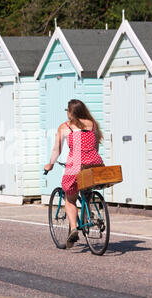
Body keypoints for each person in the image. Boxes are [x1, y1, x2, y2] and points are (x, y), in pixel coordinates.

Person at [44, 99, 104, 249]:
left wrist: (50, 164)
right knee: (86, 189)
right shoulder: (93, 124)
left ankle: (73, 228)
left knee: (70, 198)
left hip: (75, 165)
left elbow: (57, 149)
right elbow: (95, 146)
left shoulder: (65, 127)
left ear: (70, 112)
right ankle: (91, 214)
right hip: (94, 163)